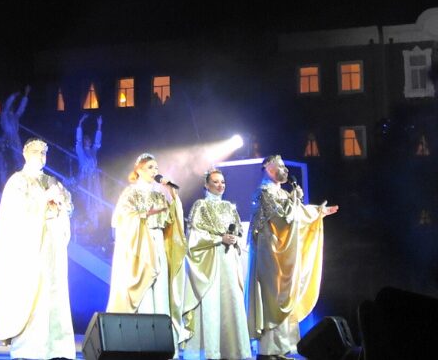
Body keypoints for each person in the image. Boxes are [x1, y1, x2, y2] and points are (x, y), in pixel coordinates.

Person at [0, 138, 76, 360]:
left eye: (44, 152)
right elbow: (16, 213)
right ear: (25, 153)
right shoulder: (18, 181)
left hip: (51, 244)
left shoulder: (52, 181)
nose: (41, 156)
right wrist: (43, 200)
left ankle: (56, 346)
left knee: (53, 292)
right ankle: (30, 347)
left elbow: (68, 206)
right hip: (30, 246)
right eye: (36, 151)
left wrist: (61, 204)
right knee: (34, 292)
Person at [246, 155, 338, 360]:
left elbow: (297, 213)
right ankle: (268, 350)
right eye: (280, 166)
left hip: (283, 251)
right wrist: (295, 200)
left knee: (286, 294)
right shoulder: (263, 192)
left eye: (284, 166)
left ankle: (283, 347)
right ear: (268, 168)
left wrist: (319, 212)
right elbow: (281, 218)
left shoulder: (283, 193)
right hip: (269, 251)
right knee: (272, 296)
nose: (285, 170)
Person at [106, 153, 188, 347]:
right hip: (141, 244)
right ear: (139, 169)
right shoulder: (131, 192)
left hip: (158, 240)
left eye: (156, 168)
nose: (155, 171)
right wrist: (146, 213)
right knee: (144, 288)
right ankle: (141, 342)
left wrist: (172, 196)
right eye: (150, 167)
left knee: (160, 288)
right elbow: (120, 219)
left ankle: (161, 342)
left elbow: (171, 220)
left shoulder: (160, 194)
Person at [182, 168, 252, 360]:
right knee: (212, 302)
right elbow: (194, 235)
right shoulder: (201, 205)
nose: (220, 185)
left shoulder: (229, 206)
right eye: (215, 182)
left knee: (230, 301)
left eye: (222, 182)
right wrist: (219, 239)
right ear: (206, 185)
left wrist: (234, 239)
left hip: (228, 259)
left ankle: (232, 350)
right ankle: (210, 351)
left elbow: (238, 232)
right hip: (210, 260)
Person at [74, 114, 103, 231]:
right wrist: (80, 123)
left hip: (94, 179)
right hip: (85, 178)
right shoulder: (80, 151)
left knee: (94, 200)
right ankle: (86, 224)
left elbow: (97, 142)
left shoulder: (93, 151)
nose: (88, 141)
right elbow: (78, 140)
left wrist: (99, 126)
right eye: (86, 139)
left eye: (89, 140)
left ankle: (94, 225)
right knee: (86, 200)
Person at [0, 86, 30, 181]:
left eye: (12, 105)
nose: (12, 106)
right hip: (7, 139)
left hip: (15, 140)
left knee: (18, 158)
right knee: (5, 161)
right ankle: (3, 181)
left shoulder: (15, 116)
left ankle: (18, 179)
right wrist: (13, 96)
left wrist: (26, 95)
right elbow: (6, 106)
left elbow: (21, 109)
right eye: (10, 105)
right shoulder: (4, 115)